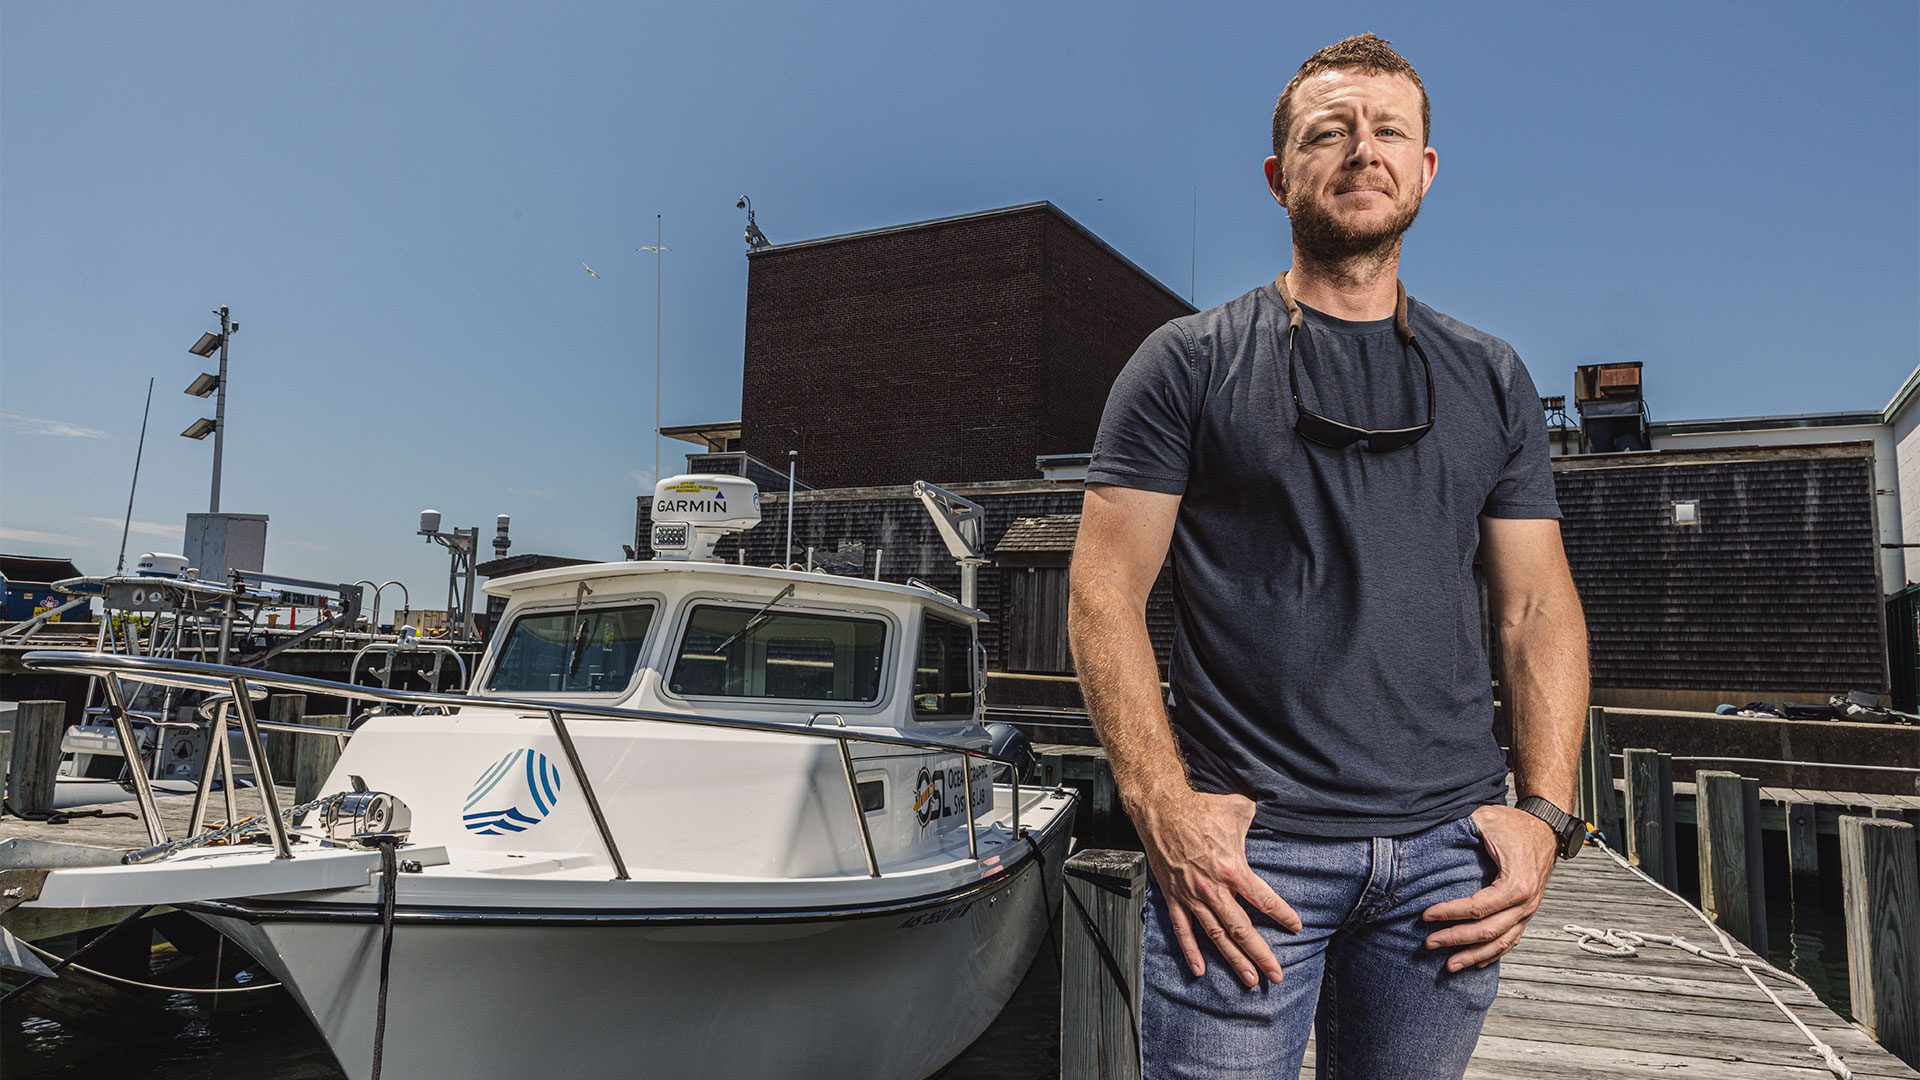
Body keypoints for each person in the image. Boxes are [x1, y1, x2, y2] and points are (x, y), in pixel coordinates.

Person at [1068, 33, 1591, 1079]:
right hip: (1250, 861)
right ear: (1279, 176)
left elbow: (1536, 607)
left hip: (1450, 860)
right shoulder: (1189, 363)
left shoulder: (1491, 377)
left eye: (1390, 130)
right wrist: (1161, 805)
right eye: (1330, 132)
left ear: (1426, 169)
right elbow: (1102, 590)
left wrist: (1545, 814)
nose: (1363, 150)